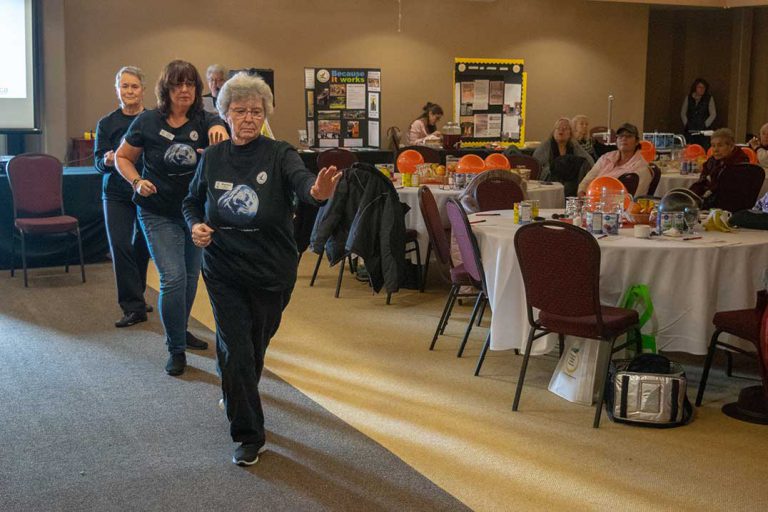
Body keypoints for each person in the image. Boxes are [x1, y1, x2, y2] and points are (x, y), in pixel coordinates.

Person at [182, 72, 341, 465]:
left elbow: (304, 184)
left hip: (272, 269)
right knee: (235, 348)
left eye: (256, 111)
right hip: (223, 267)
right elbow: (190, 202)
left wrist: (317, 193)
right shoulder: (213, 157)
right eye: (240, 111)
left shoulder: (280, 153)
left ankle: (237, 390)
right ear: (226, 114)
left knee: (254, 346)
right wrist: (195, 226)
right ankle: (248, 435)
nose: (248, 118)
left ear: (265, 114)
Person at [115, 59, 229, 375]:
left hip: (194, 214)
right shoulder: (148, 121)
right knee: (173, 277)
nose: (184, 90)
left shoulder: (208, 121)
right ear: (166, 88)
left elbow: (224, 145)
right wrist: (137, 181)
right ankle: (175, 348)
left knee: (191, 278)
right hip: (156, 212)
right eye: (177, 84)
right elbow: (123, 157)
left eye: (190, 84)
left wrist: (218, 143)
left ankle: (179, 329)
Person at [95, 66, 153, 328]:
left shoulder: (153, 120)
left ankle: (137, 293)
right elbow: (97, 162)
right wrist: (108, 159)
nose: (129, 91)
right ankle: (133, 307)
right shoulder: (106, 123)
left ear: (142, 89)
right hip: (116, 194)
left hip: (148, 193)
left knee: (142, 247)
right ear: (117, 90)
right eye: (124, 86)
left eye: (134, 86)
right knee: (120, 245)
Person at [578, 123, 652, 196]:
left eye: (629, 136)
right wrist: (582, 196)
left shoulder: (641, 168)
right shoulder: (606, 158)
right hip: (590, 201)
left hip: (617, 206)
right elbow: (585, 183)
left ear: (636, 141)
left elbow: (636, 198)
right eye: (620, 136)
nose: (624, 139)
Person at [690, 128, 748, 208]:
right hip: (712, 201)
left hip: (728, 204)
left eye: (720, 145)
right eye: (713, 146)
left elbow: (723, 189)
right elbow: (702, 182)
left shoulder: (740, 163)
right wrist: (690, 195)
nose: (715, 150)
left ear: (731, 146)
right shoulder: (712, 162)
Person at [681, 78, 716, 148]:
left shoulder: (708, 98)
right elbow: (683, 112)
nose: (702, 89)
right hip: (690, 128)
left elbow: (713, 114)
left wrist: (705, 124)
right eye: (699, 87)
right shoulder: (689, 98)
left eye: (703, 87)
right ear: (695, 88)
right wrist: (686, 123)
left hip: (703, 130)